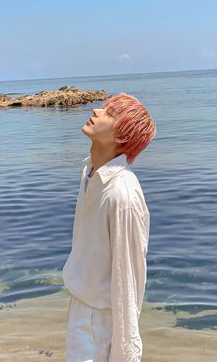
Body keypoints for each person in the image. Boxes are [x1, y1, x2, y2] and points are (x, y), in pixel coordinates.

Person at [62, 92, 157, 361]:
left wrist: (127, 353)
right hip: (83, 309)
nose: (97, 111)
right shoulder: (91, 172)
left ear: (122, 137)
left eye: (110, 113)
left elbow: (130, 279)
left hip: (99, 324)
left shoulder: (122, 194)